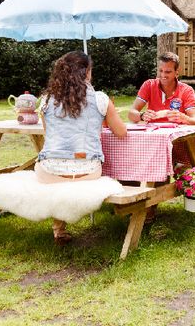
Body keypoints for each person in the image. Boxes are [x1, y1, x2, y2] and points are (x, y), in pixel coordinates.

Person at [35, 51, 127, 245]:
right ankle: (60, 228)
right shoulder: (101, 99)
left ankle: (58, 230)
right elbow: (121, 132)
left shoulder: (46, 99)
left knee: (53, 171)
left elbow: (49, 135)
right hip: (88, 170)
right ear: (87, 73)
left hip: (50, 172)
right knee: (75, 170)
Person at [129, 52, 195, 125]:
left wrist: (183, 118)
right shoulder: (149, 85)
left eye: (167, 72)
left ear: (176, 73)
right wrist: (142, 116)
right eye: (161, 71)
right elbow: (131, 114)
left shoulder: (186, 90)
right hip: (154, 133)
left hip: (177, 133)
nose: (163, 75)